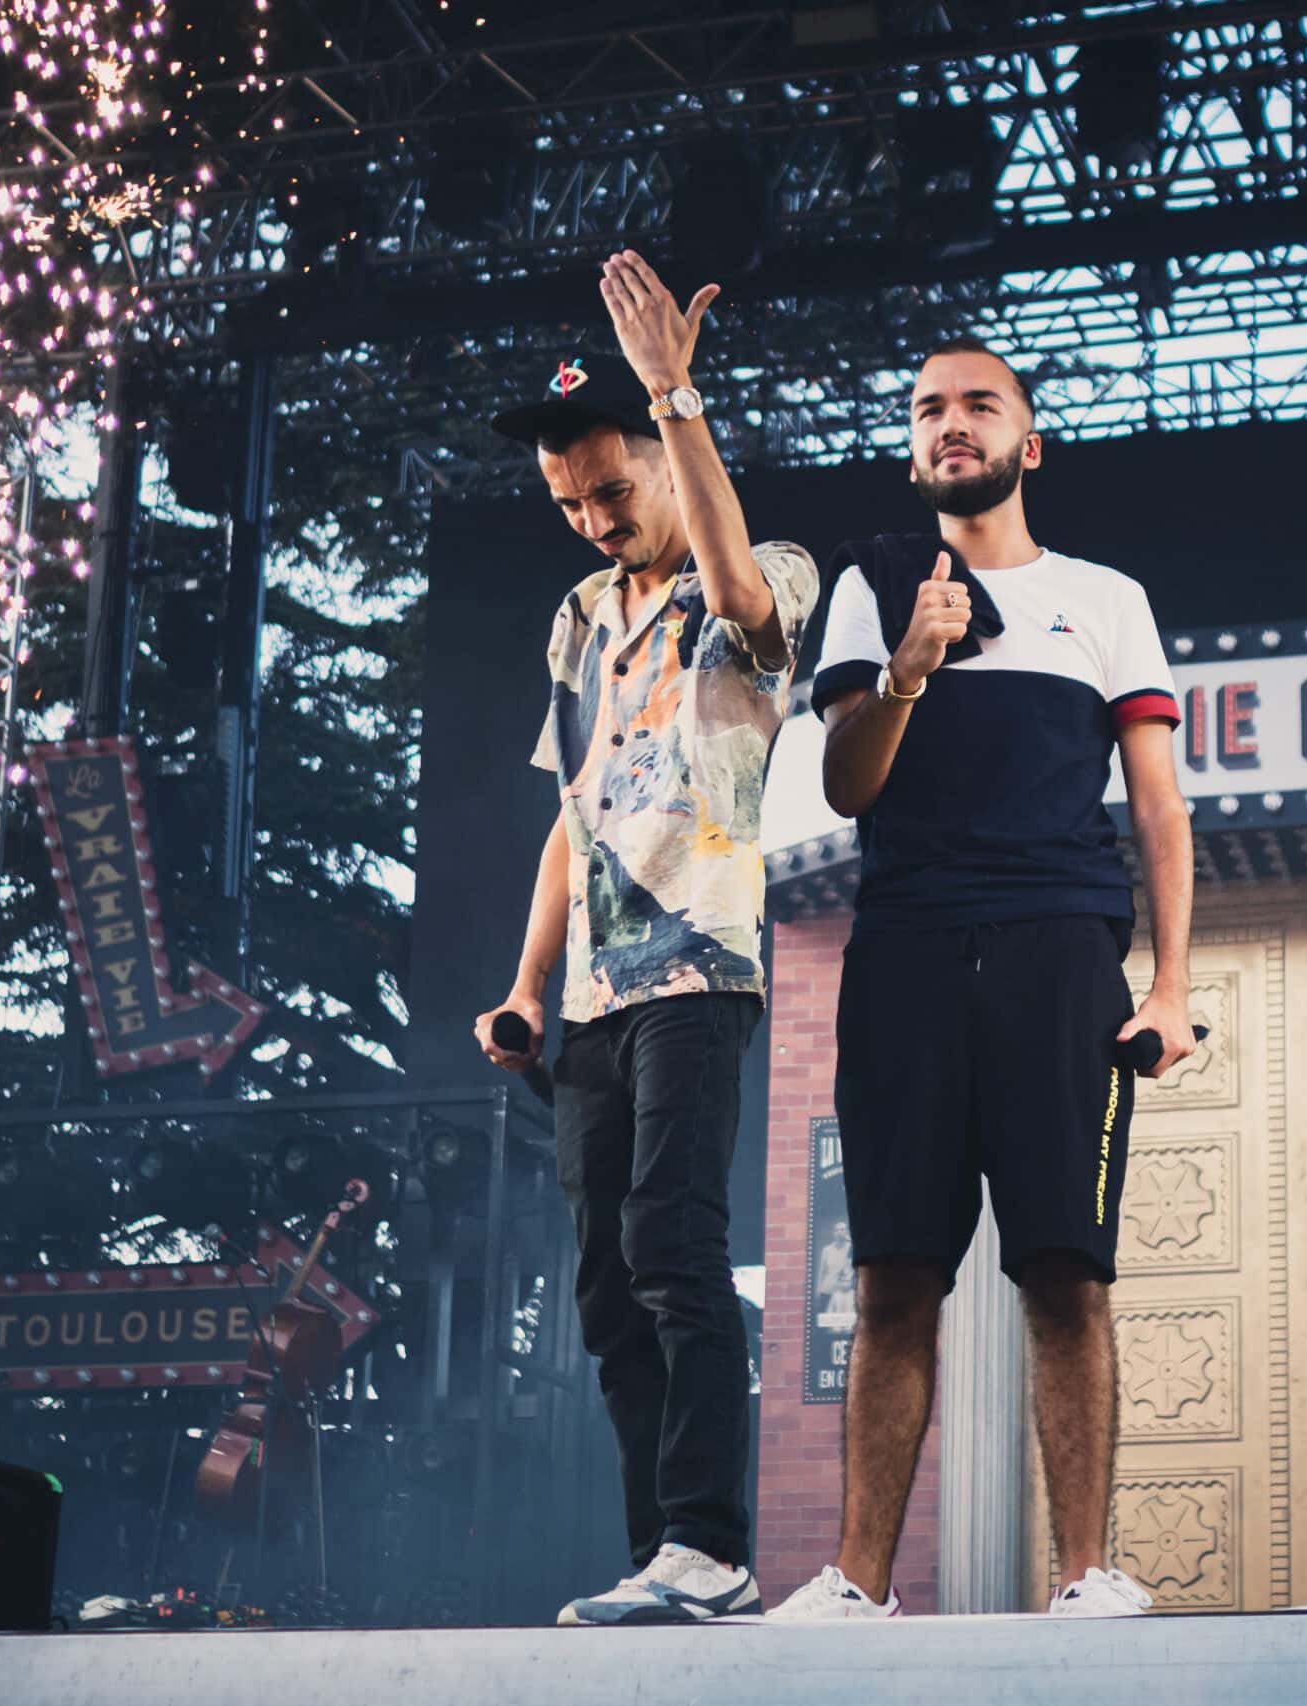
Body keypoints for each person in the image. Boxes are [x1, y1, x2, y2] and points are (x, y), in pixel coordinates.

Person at [768, 336, 1197, 1622]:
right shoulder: (870, 586)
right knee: (895, 1274)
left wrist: (1168, 984)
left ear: (1029, 441)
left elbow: (1159, 808)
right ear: (912, 448)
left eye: (978, 406)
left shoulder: (1104, 597)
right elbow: (848, 786)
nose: (950, 424)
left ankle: (1085, 1572)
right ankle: (855, 1581)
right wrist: (908, 666)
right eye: (927, 410)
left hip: (1057, 944)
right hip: (902, 948)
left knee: (1064, 1267)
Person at [475, 249, 818, 1626]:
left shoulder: (756, 566)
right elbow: (570, 809)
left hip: (701, 963)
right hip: (596, 999)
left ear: (670, 470)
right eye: (570, 502)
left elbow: (741, 600)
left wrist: (678, 395)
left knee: (676, 1244)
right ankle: (658, 1558)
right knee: (609, 1286)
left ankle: (711, 1543)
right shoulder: (573, 620)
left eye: (614, 491)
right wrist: (521, 984)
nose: (594, 518)